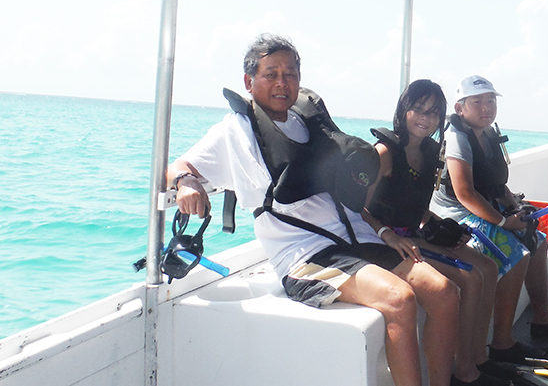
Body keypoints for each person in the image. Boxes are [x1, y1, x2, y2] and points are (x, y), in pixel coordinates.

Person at [168, 34, 460, 386]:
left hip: (355, 239)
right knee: (399, 299)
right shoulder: (235, 131)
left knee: (444, 293)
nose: (282, 83)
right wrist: (186, 182)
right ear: (249, 82)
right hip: (306, 256)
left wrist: (382, 232)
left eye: (290, 74)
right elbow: (177, 165)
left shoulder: (305, 120)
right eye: (271, 74)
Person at [430, 75, 548, 366]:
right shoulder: (457, 138)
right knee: (516, 253)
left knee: (537, 241)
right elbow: (464, 193)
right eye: (477, 102)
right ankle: (502, 342)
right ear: (460, 107)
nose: (486, 107)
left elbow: (498, 184)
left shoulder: (488, 133)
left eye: (490, 101)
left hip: (488, 209)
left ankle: (542, 319)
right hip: (458, 217)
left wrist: (516, 209)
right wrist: (504, 223)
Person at [362, 80, 506, 386]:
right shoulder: (385, 152)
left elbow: (413, 204)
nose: (425, 118)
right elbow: (358, 209)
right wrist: (387, 233)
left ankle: (475, 358)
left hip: (415, 233)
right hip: (385, 240)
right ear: (404, 110)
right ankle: (462, 373)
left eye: (433, 112)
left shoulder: (429, 152)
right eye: (418, 109)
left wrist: (440, 223)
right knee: (466, 278)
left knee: (487, 268)